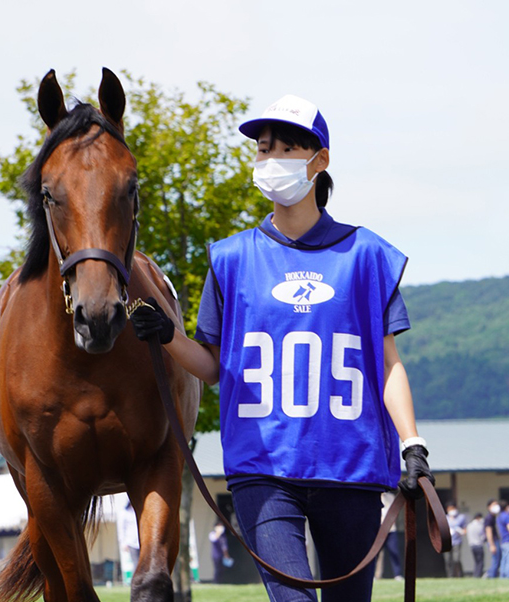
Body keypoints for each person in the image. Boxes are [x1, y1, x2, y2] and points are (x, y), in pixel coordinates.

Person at [130, 94, 434, 602]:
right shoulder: (230, 260)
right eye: (263, 149)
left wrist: (412, 443)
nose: (271, 161)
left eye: (286, 148)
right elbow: (212, 367)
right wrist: (169, 336)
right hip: (263, 468)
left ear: (321, 160)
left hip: (351, 465)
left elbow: (388, 365)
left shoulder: (368, 256)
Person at [375, 491, 403, 581]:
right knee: (375, 554)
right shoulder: (375, 495)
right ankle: (375, 575)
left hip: (391, 529)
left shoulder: (391, 496)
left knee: (394, 552)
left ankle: (397, 574)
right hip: (378, 529)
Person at [445, 502, 467, 577]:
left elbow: (465, 530)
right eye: (450, 509)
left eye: (453, 508)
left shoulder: (461, 517)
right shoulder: (445, 518)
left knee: (456, 559)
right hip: (447, 541)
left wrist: (460, 531)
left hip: (457, 541)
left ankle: (460, 575)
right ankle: (450, 576)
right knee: (448, 560)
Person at [484, 498, 501, 578]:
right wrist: (491, 544)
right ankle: (491, 575)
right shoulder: (489, 518)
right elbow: (488, 531)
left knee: (497, 559)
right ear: (489, 507)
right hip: (493, 541)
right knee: (496, 560)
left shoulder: (495, 517)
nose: (496, 506)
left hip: (496, 540)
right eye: (494, 505)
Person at [466, 513, 486, 578]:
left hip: (472, 546)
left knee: (476, 561)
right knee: (480, 562)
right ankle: (478, 575)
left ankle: (475, 574)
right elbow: (483, 536)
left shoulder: (469, 526)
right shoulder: (479, 526)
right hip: (479, 545)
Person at [497, 500, 509, 578]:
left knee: (504, 559)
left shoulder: (499, 516)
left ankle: (502, 576)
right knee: (508, 560)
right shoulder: (506, 516)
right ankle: (508, 576)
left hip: (503, 540)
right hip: (508, 540)